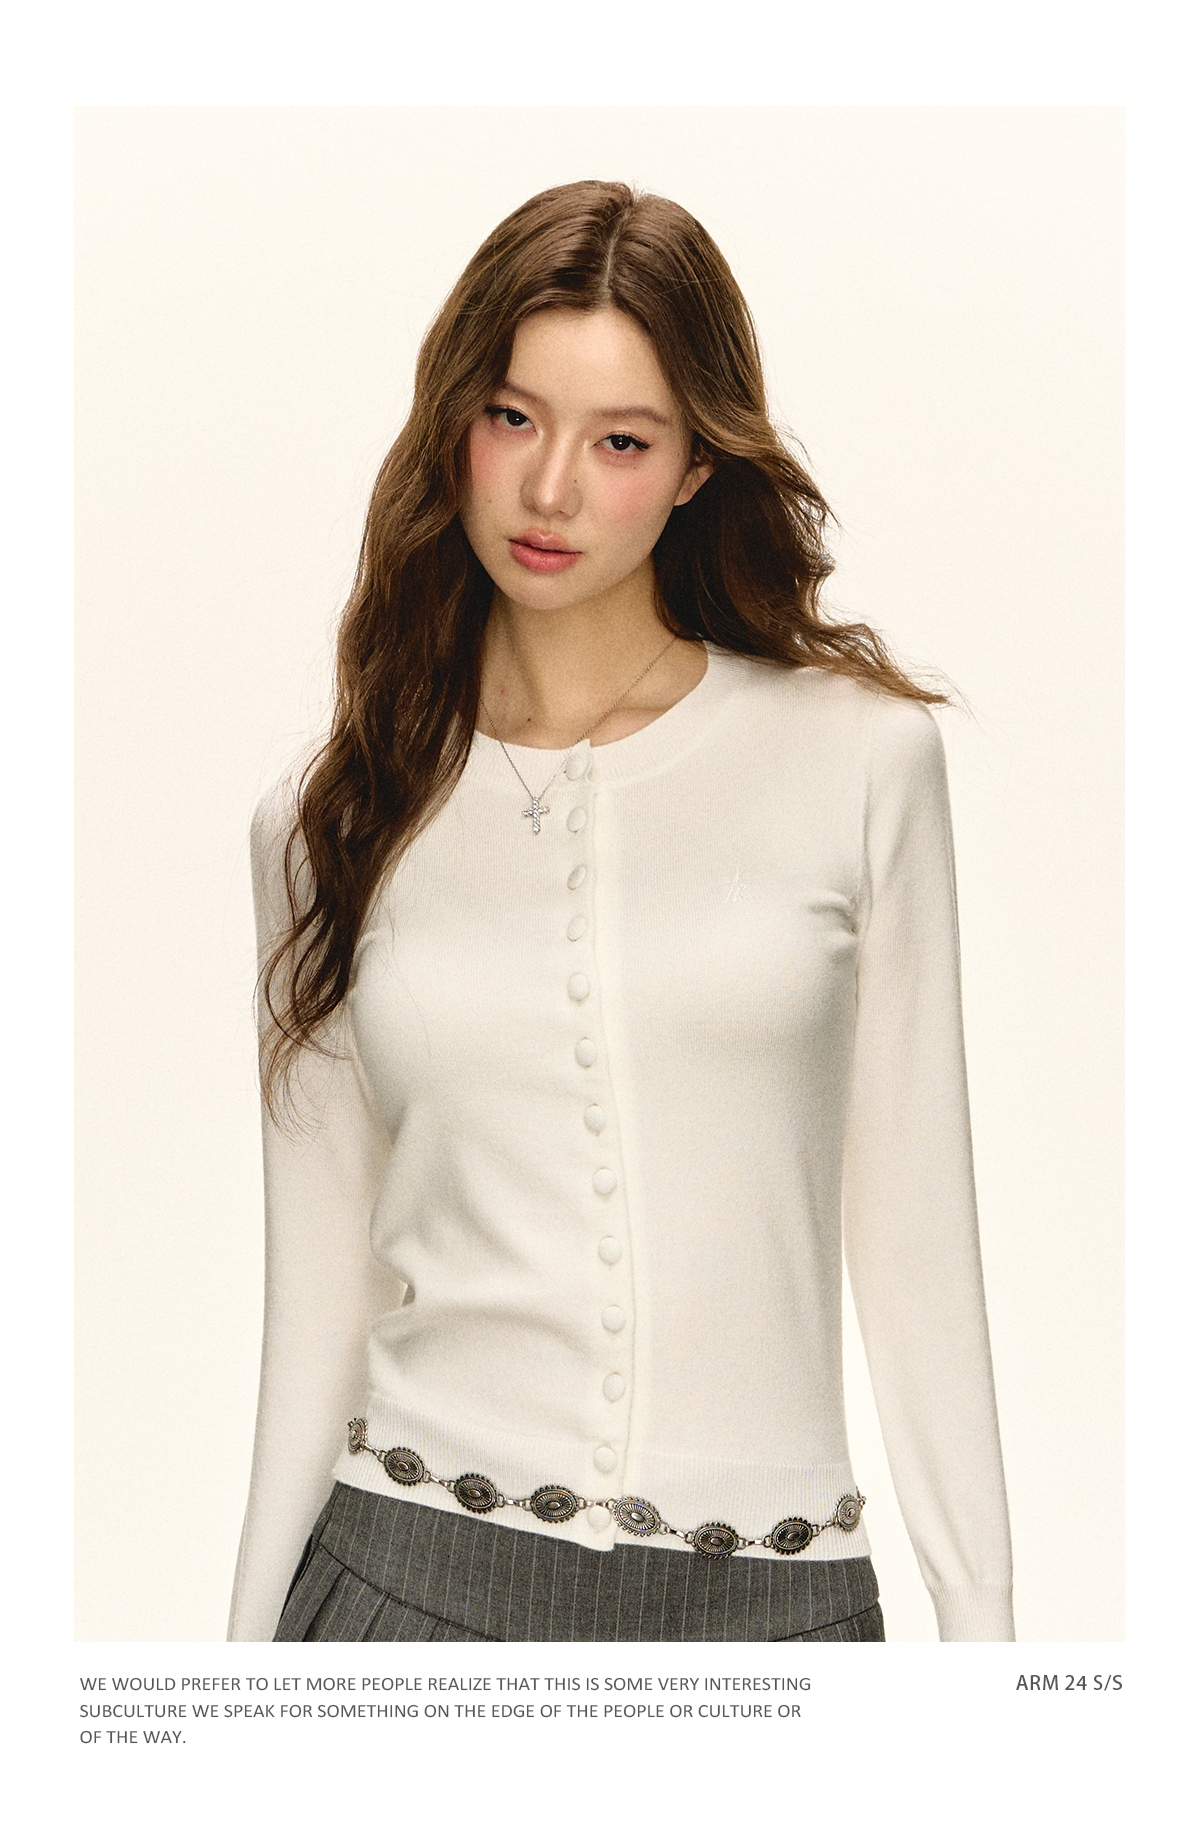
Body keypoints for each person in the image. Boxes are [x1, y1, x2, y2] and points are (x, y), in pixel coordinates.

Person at [228, 180, 1015, 1644]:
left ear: (701, 463)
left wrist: (985, 1646)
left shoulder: (858, 760)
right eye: (513, 418)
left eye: (622, 442)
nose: (550, 491)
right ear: (454, 422)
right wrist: (239, 1687)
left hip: (776, 1616)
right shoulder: (327, 820)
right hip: (401, 1590)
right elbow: (317, 1300)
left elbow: (918, 1239)